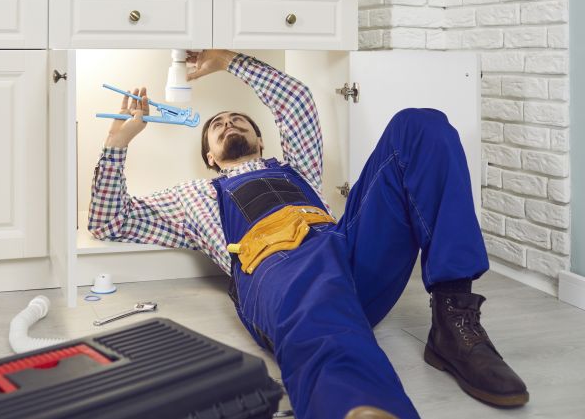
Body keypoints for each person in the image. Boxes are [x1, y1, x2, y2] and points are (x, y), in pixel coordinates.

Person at [88, 49, 528, 419]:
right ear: (209, 157)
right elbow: (110, 221)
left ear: (261, 140)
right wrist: (117, 141)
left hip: (346, 255)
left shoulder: (298, 168)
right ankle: (361, 404)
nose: (228, 124)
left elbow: (295, 100)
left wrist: (228, 60)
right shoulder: (194, 196)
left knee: (420, 125)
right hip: (280, 274)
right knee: (323, 318)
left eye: (239, 120)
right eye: (218, 126)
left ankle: (453, 318)